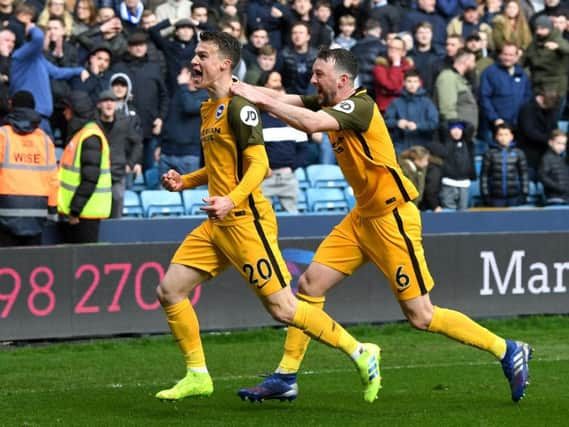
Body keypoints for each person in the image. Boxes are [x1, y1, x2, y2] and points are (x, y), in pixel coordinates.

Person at [232, 47, 532, 404]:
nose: (313, 80)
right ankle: (287, 376)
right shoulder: (330, 100)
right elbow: (283, 98)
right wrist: (238, 85)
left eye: (319, 75)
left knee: (421, 316)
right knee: (311, 283)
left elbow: (309, 123)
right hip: (362, 216)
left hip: (392, 218)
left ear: (342, 81)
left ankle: (507, 349)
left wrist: (251, 96)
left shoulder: (360, 107)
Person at [154, 32, 380, 403]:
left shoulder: (240, 106)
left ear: (225, 65)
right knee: (169, 290)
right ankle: (197, 374)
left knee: (284, 308)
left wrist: (231, 199)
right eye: (195, 55)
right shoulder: (209, 108)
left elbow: (259, 164)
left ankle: (360, 351)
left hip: (246, 221)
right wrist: (186, 182)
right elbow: (221, 168)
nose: (195, 62)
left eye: (202, 55)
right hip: (218, 222)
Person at [0, 91, 58, 246]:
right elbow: (53, 180)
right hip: (36, 214)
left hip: (5, 212)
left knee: (7, 267)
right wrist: (52, 211)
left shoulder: (3, 135)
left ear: (11, 106)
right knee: (31, 265)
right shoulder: (45, 141)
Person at [58, 91, 111, 243]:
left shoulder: (90, 137)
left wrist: (75, 210)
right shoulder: (81, 133)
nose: (64, 112)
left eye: (66, 108)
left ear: (75, 110)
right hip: (79, 213)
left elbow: (90, 178)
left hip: (84, 215)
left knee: (84, 263)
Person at [96, 89, 142, 218]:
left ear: (116, 104)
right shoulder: (93, 123)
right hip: (96, 175)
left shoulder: (124, 122)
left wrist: (131, 163)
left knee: (116, 213)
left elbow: (137, 143)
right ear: (99, 105)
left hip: (117, 173)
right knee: (97, 213)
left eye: (112, 101)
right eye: (105, 101)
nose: (109, 104)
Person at [384, 68, 439, 154]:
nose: (412, 85)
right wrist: (397, 123)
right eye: (409, 81)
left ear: (419, 83)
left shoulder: (427, 102)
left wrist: (418, 126)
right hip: (400, 146)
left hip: (422, 146)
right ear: (404, 83)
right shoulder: (396, 102)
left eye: (415, 81)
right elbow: (386, 121)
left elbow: (434, 123)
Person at [480, 123, 529, 207]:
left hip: (514, 196)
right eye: (500, 135)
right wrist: (485, 194)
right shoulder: (489, 154)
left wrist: (524, 193)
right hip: (495, 197)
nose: (503, 138)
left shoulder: (519, 153)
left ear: (511, 136)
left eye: (506, 134)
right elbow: (484, 176)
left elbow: (524, 175)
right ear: (496, 137)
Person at [438, 121, 476, 210]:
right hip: (448, 182)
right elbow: (442, 126)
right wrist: (453, 120)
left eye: (459, 129)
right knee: (449, 210)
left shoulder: (467, 142)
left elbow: (471, 126)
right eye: (453, 129)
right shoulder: (446, 142)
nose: (456, 131)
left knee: (463, 210)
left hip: (464, 183)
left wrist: (460, 121)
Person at [538, 129, 569, 204]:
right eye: (558, 143)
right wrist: (559, 187)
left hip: (566, 197)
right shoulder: (546, 158)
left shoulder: (564, 158)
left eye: (564, 144)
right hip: (554, 197)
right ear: (550, 142)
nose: (561, 147)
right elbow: (543, 177)